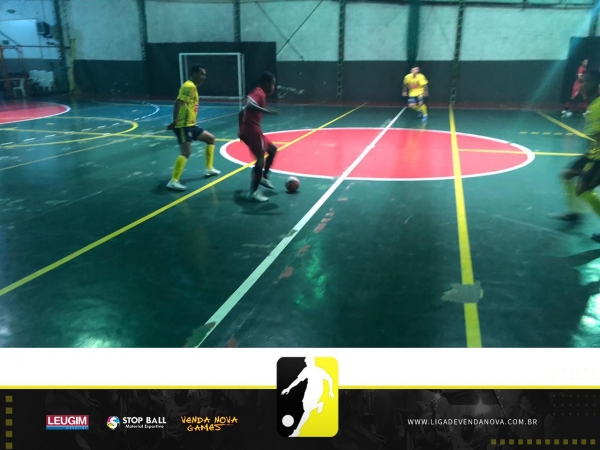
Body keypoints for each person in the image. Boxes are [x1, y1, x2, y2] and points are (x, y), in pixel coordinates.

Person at [553, 83, 600, 242]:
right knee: (567, 175)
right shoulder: (594, 104)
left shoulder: (597, 106)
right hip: (593, 152)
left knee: (583, 189)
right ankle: (575, 213)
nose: (581, 85)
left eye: (584, 80)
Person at [166, 65, 220, 191]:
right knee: (186, 152)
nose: (204, 77)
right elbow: (178, 102)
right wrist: (175, 120)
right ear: (193, 74)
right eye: (201, 74)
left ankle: (209, 169)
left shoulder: (193, 87)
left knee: (211, 139)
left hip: (191, 125)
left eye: (205, 75)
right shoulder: (188, 86)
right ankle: (173, 181)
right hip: (183, 126)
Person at [238, 71, 279, 202]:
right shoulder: (259, 93)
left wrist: (240, 129)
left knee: (272, 149)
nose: (273, 87)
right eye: (272, 84)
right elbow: (249, 105)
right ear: (266, 83)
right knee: (260, 159)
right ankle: (253, 192)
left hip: (249, 129)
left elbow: (241, 112)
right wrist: (267, 111)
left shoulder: (259, 93)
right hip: (252, 130)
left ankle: (263, 177)